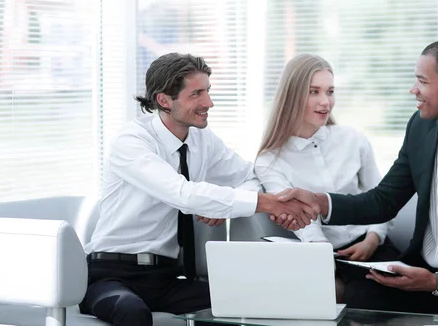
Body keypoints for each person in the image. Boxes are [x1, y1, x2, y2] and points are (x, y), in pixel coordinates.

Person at [274, 39, 438, 319]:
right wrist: (320, 202)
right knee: (361, 295)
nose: (413, 90)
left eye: (422, 82)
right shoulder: (420, 127)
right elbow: (384, 200)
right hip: (426, 272)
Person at [79, 53, 317, 326]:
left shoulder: (203, 140)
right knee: (132, 313)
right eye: (196, 94)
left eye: (208, 91)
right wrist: (268, 203)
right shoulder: (132, 141)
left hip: (166, 279)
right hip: (111, 273)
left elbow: (248, 176)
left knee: (249, 301)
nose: (209, 103)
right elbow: (182, 194)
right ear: (164, 100)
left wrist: (225, 206)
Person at [255, 54, 399, 302]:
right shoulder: (270, 161)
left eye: (330, 91)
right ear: (292, 96)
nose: (325, 102)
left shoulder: (353, 140)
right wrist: (325, 264)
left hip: (373, 249)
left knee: (365, 295)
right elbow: (305, 224)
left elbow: (382, 200)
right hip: (321, 253)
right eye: (313, 92)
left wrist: (373, 239)